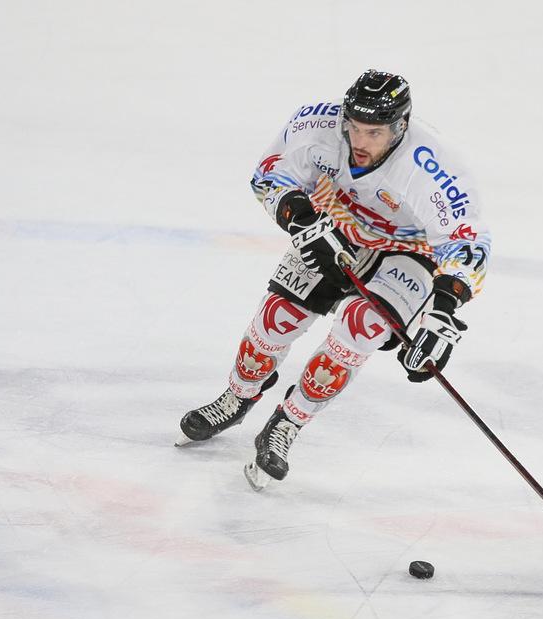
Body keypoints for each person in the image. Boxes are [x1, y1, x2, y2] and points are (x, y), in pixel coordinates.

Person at [175, 69, 491, 490]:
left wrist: (443, 313)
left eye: (374, 133)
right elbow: (269, 175)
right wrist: (299, 217)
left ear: (401, 127)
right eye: (355, 128)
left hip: (409, 251)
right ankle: (237, 396)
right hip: (335, 225)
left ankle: (287, 422)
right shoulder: (315, 125)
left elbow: (464, 239)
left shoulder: (433, 165)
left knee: (360, 328)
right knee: (277, 317)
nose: (360, 142)